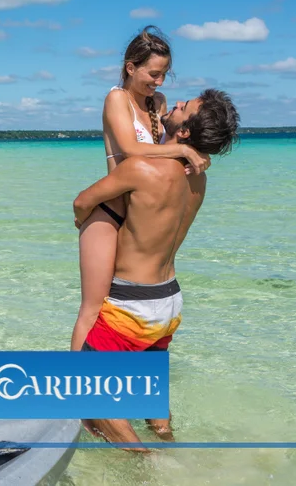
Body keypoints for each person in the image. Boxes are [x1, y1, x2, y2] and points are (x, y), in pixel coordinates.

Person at [72, 88, 240, 451]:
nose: (176, 103)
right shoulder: (199, 179)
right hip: (169, 302)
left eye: (184, 107)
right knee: (153, 407)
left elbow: (82, 201)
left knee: (89, 393)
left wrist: (84, 220)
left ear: (185, 131)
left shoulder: (141, 169)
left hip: (133, 304)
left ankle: (149, 463)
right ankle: (172, 448)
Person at [70, 26, 211, 352]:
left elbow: (168, 149)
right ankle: (73, 378)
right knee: (92, 309)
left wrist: (198, 156)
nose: (159, 82)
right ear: (131, 67)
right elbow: (132, 150)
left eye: (164, 74)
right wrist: (183, 150)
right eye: (153, 74)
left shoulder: (158, 102)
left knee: (122, 302)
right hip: (109, 212)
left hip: (140, 215)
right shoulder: (116, 99)